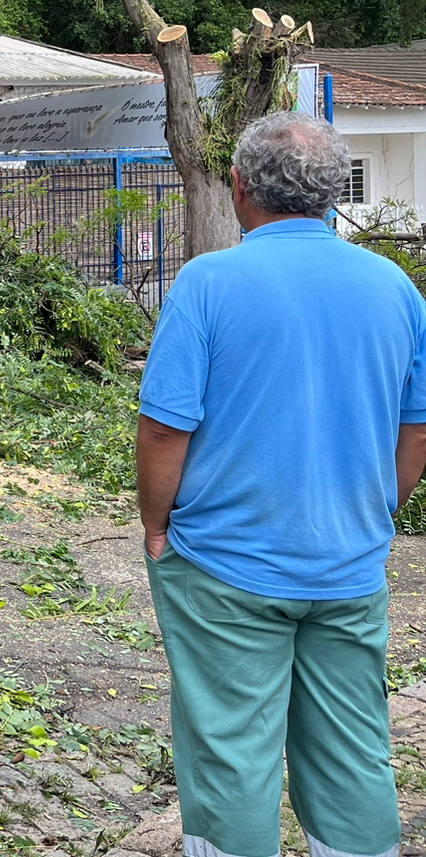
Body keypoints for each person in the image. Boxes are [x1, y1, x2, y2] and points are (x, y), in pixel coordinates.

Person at [139, 110, 426, 857]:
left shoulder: (208, 283)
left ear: (237, 186)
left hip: (225, 565)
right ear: (336, 193)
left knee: (231, 749)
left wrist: (156, 525)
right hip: (348, 564)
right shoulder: (396, 288)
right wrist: (371, 511)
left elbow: (167, 428)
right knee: (354, 747)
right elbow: (418, 430)